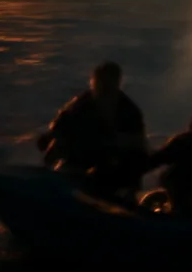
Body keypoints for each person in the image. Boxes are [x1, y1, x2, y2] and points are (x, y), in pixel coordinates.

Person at [37, 61, 148, 201]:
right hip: (86, 155)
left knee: (131, 161)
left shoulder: (129, 111)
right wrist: (50, 140)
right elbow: (59, 127)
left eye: (109, 83)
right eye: (101, 82)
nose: (104, 88)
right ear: (94, 82)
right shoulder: (81, 104)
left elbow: (138, 146)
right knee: (56, 142)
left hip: (115, 160)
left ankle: (125, 198)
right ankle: (49, 182)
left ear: (117, 83)